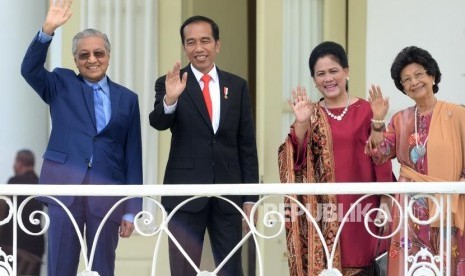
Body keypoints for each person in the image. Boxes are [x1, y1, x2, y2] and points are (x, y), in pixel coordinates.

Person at [20, 0, 143, 275]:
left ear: (108, 56)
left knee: (102, 269)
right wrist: (47, 30)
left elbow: (133, 156)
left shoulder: (128, 99)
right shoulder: (60, 83)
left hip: (107, 194)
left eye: (98, 53)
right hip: (65, 191)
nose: (92, 60)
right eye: (84, 55)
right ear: (75, 59)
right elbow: (29, 70)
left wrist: (131, 208)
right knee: (60, 268)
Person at [149, 15, 259, 276]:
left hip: (228, 193)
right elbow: (158, 122)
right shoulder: (171, 82)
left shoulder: (237, 86)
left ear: (217, 44)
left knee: (231, 268)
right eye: (191, 42)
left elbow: (246, 145)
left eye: (205, 41)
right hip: (185, 193)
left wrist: (250, 197)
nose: (198, 48)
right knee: (183, 269)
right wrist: (170, 99)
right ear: (185, 47)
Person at [278, 41, 394, 275]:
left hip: (361, 205)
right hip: (321, 210)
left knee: (360, 264)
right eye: (320, 74)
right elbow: (294, 159)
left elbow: (381, 156)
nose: (328, 79)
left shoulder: (366, 110)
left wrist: (385, 200)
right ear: (313, 79)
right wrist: (301, 123)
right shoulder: (310, 113)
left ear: (346, 72)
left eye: (334, 71)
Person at [366, 46, 465, 275]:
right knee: (409, 267)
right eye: (406, 79)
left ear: (432, 75)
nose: (414, 82)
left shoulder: (457, 114)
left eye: (419, 74)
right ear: (403, 88)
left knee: (447, 264)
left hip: (447, 204)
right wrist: (378, 121)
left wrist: (456, 188)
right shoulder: (401, 119)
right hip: (409, 209)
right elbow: (380, 152)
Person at [0, 149, 44, 275]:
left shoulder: (14, 182)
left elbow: (2, 211)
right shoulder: (39, 183)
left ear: (19, 163)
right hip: (36, 245)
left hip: (13, 244)